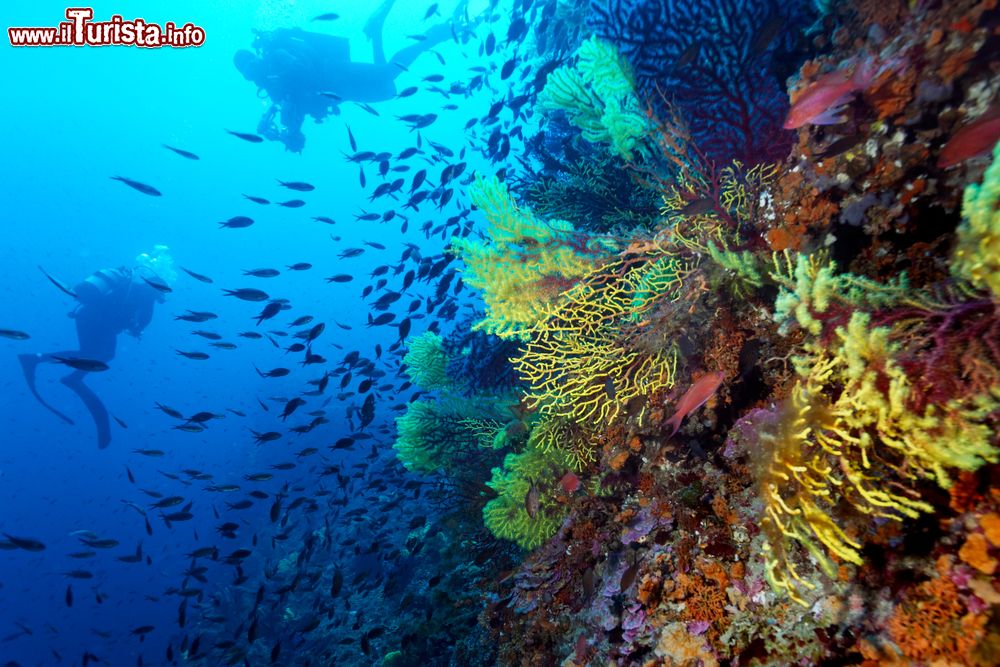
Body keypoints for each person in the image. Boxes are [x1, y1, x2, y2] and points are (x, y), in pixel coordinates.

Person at [233, 0, 473, 152]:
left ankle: (435, 35)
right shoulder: (274, 92)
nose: (250, 73)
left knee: (388, 72)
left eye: (249, 65)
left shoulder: (276, 56)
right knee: (388, 89)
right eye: (245, 73)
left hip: (334, 71)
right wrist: (285, 135)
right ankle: (376, 28)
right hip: (337, 93)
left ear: (255, 58)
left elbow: (301, 70)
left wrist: (288, 101)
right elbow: (299, 134)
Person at [18, 246, 175, 449]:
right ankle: (49, 366)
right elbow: (144, 321)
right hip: (99, 321)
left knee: (99, 355)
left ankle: (61, 371)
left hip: (86, 315)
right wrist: (137, 329)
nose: (160, 299)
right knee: (100, 355)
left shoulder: (133, 286)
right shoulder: (148, 294)